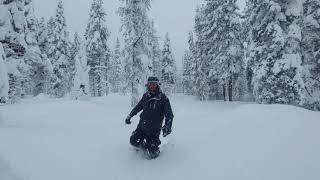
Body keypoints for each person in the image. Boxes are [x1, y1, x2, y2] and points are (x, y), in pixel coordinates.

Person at [125, 76, 174, 158]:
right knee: (133, 141)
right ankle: (144, 146)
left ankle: (151, 147)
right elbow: (138, 107)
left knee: (153, 153)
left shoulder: (163, 98)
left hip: (154, 131)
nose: (152, 86)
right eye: (150, 84)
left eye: (154, 84)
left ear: (158, 85)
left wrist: (167, 127)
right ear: (147, 85)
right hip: (142, 127)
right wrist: (130, 116)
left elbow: (169, 115)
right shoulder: (145, 96)